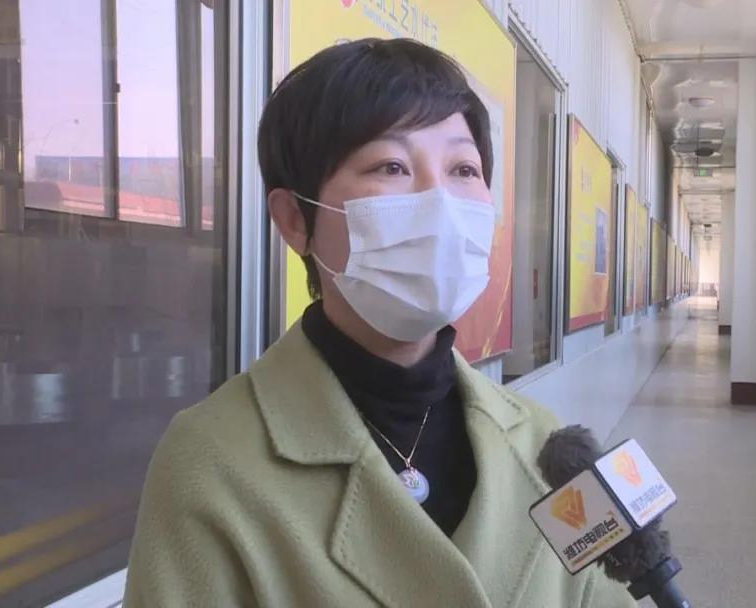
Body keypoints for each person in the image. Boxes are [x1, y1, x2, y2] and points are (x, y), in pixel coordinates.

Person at [123, 37, 635, 607]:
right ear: (295, 220)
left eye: (463, 169)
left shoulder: (546, 443)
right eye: (391, 166)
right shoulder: (209, 464)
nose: (440, 204)